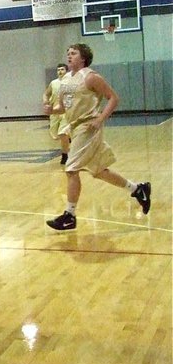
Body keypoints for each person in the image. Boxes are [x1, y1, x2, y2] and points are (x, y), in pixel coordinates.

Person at [43, 43, 151, 230]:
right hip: (74, 127)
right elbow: (62, 107)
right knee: (99, 171)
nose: (69, 56)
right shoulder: (65, 80)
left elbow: (113, 98)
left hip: (88, 126)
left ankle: (70, 215)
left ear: (83, 58)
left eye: (73, 53)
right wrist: (51, 109)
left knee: (71, 169)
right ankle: (137, 189)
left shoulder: (91, 77)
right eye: (68, 53)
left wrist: (100, 119)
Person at [43, 63, 71, 165]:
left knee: (62, 133)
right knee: (55, 135)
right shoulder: (53, 83)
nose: (60, 71)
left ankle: (65, 156)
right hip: (54, 111)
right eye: (58, 70)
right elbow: (46, 94)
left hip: (66, 112)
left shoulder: (70, 82)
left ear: (66, 71)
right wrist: (45, 102)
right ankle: (68, 138)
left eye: (62, 69)